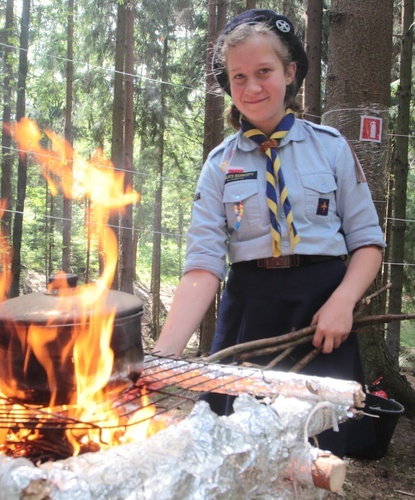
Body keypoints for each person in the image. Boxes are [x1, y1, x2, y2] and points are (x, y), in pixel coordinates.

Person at [152, 9, 386, 458]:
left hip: (321, 312)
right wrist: (163, 356)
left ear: (289, 72)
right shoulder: (219, 164)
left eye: (264, 71)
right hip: (249, 314)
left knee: (317, 449)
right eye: (239, 77)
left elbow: (367, 242)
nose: (252, 87)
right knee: (233, 445)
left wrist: (343, 302)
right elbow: (202, 266)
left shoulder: (331, 147)